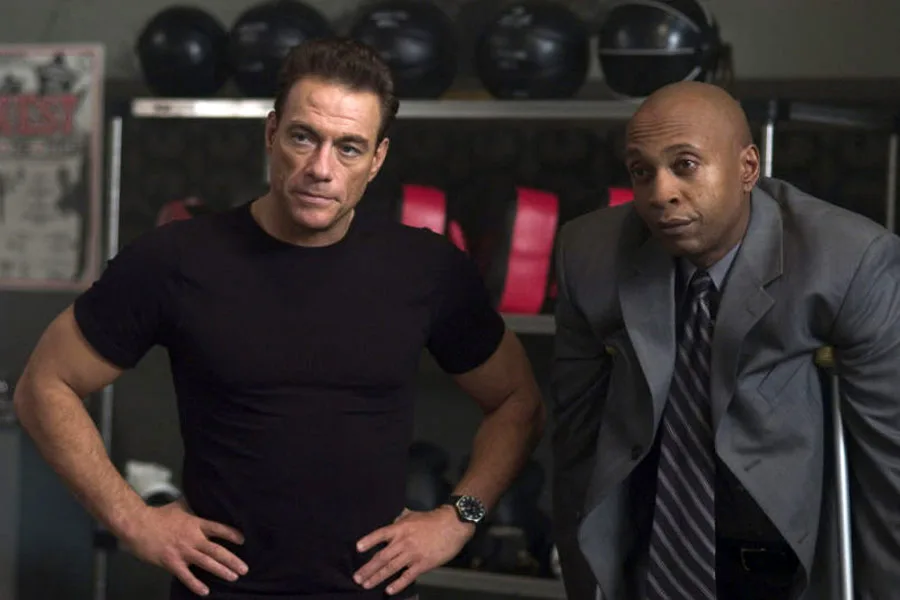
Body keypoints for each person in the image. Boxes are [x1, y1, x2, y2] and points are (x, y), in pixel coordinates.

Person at [13, 38, 546, 600]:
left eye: (348, 148)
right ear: (271, 133)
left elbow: (518, 402)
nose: (321, 169)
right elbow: (44, 386)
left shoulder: (426, 268)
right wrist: (132, 519)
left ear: (377, 159)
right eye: (303, 137)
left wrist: (459, 518)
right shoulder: (176, 259)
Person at [550, 80, 900, 600]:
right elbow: (576, 442)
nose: (660, 193)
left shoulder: (850, 261)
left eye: (685, 164)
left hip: (786, 555)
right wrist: (586, 582)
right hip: (650, 551)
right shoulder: (588, 254)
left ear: (748, 168)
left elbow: (889, 466)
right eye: (641, 171)